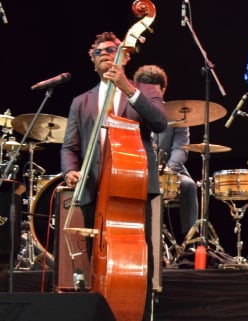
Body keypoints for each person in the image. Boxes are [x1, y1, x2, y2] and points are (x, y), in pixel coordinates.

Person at [61, 31, 168, 320]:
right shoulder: (80, 101)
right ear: (92, 60)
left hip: (130, 187)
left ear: (127, 54)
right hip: (93, 188)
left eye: (112, 49)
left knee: (138, 258)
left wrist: (126, 87)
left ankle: (139, 313)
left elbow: (159, 123)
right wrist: (70, 171)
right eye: (99, 52)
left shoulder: (146, 91)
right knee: (97, 258)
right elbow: (70, 146)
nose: (106, 54)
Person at [133, 65, 199, 244]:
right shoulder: (130, 112)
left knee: (189, 186)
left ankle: (190, 242)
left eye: (155, 94)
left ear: (163, 90)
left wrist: (167, 170)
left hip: (170, 170)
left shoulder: (177, 114)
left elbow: (181, 148)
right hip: (137, 170)